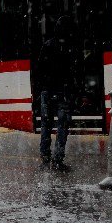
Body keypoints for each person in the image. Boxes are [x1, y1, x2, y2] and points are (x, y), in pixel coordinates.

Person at [34, 16, 74, 171]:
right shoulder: (68, 47)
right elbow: (71, 72)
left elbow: (39, 69)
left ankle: (45, 158)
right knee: (62, 126)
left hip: (48, 91)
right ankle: (58, 159)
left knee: (46, 124)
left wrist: (42, 89)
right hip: (62, 91)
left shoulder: (48, 45)